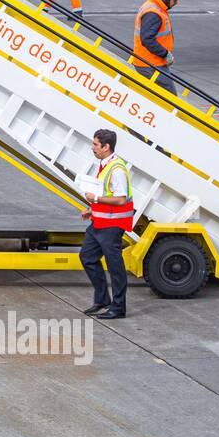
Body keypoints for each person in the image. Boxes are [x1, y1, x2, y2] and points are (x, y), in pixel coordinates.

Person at [79, 128, 133, 319]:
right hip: (99, 221)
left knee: (115, 267)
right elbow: (107, 194)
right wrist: (92, 210)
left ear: (106, 146)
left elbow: (119, 199)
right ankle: (102, 299)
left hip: (112, 225)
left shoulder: (117, 169)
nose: (92, 147)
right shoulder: (104, 165)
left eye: (95, 144)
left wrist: (95, 199)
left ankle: (118, 308)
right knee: (87, 257)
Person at [130, 0, 182, 94]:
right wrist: (165, 54)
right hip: (150, 64)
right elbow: (147, 39)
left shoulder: (155, 6)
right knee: (170, 97)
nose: (176, 3)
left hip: (152, 62)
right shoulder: (154, 13)